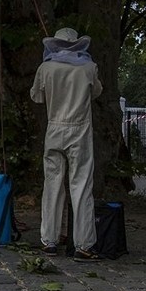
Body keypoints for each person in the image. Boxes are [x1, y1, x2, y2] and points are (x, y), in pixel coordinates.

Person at [30, 27, 103, 261]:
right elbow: (97, 93)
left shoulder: (46, 68)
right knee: (81, 185)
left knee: (52, 184)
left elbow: (36, 97)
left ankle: (49, 241)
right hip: (80, 130)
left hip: (54, 128)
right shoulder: (89, 68)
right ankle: (83, 245)